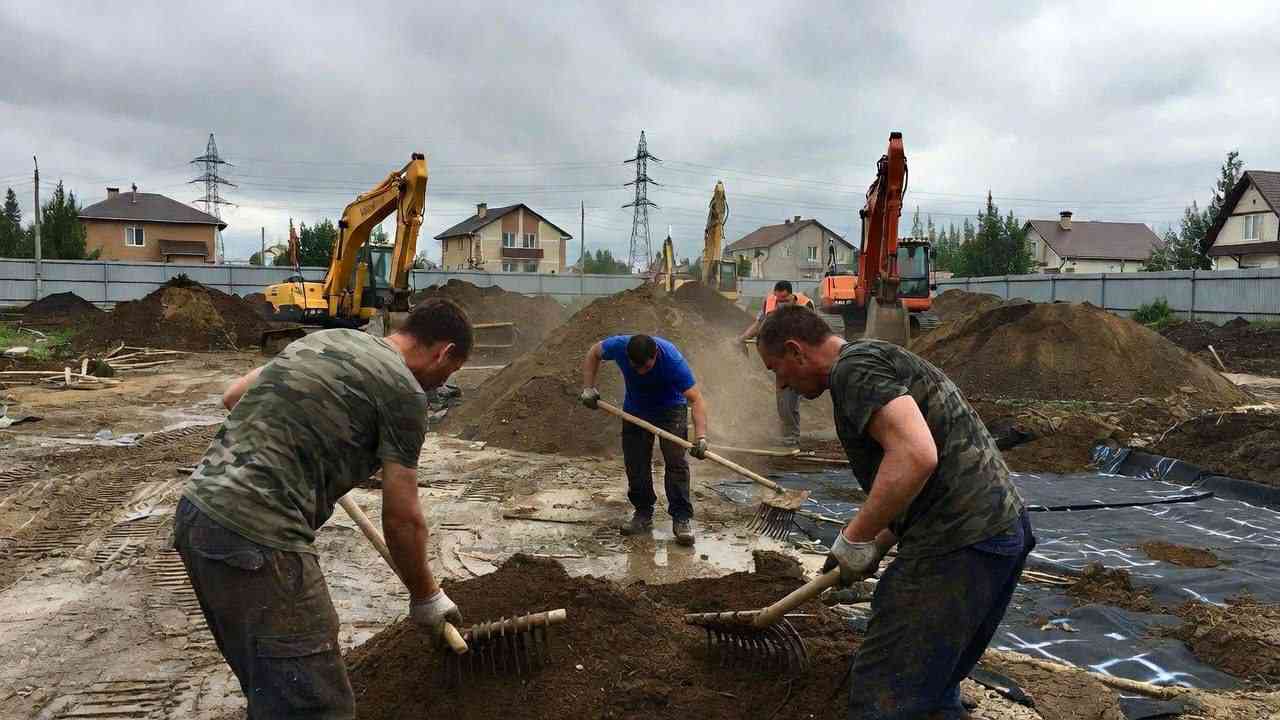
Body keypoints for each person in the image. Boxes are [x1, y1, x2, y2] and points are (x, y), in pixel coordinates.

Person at [172, 299, 473, 719]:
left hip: (198, 517)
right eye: (451, 372)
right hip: (260, 537)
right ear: (444, 352)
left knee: (274, 692)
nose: (442, 383)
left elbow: (233, 396)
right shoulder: (404, 392)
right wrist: (427, 597)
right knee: (316, 707)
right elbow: (402, 518)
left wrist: (305, 441)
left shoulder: (330, 339)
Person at [755, 305, 1034, 720]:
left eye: (775, 369)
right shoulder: (874, 358)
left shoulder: (854, 370)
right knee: (933, 688)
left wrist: (853, 538)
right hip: (998, 532)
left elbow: (915, 456)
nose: (780, 384)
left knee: (883, 694)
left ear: (796, 351)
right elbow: (922, 482)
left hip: (957, 545)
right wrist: (877, 545)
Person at [580, 334, 708, 546]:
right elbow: (594, 352)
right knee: (636, 462)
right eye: (635, 367)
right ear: (627, 356)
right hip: (636, 409)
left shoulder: (672, 360)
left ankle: (681, 518)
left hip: (670, 409)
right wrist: (588, 387)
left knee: (676, 462)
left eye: (646, 367)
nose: (640, 372)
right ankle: (642, 513)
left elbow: (696, 399)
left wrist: (701, 436)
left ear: (655, 355)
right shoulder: (619, 346)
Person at [737, 280, 814, 446]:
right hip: (780, 359)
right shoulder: (770, 302)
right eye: (779, 300)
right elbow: (759, 324)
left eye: (785, 300)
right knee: (783, 400)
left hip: (797, 358)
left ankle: (791, 436)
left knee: (789, 398)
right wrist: (742, 338)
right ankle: (787, 434)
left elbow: (812, 334)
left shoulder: (805, 305)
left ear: (792, 296)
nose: (781, 304)